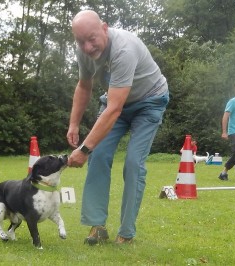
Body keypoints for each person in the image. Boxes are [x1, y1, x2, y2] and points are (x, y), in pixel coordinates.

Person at [66, 10, 169, 245]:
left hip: (150, 102)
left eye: (92, 38)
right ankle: (97, 226)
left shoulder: (124, 49)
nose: (88, 47)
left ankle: (127, 232)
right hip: (116, 102)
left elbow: (114, 109)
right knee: (99, 154)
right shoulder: (83, 51)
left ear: (104, 27)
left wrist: (83, 149)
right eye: (81, 41)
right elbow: (84, 86)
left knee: (133, 162)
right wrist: (74, 123)